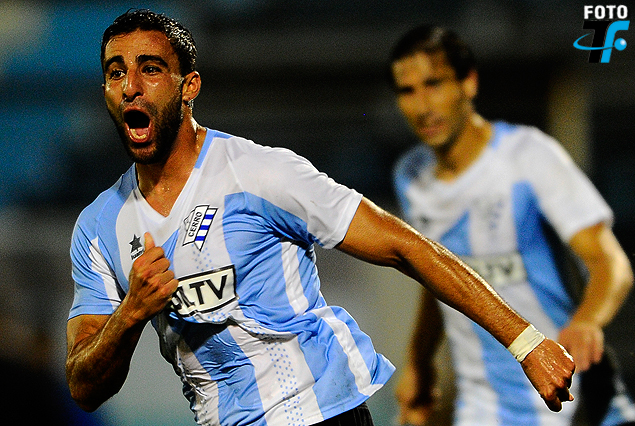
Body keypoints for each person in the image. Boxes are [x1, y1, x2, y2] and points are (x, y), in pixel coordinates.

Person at [65, 10, 575, 426]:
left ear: (188, 86)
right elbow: (84, 387)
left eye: (151, 69)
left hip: (320, 413)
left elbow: (405, 246)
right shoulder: (99, 227)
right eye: (116, 72)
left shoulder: (260, 173)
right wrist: (130, 313)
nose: (131, 86)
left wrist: (525, 342)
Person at [389, 25, 635, 426]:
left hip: (571, 396)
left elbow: (611, 263)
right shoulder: (411, 176)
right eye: (407, 91)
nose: (422, 106)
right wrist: (419, 362)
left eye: (434, 84)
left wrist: (588, 320)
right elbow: (437, 277)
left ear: (468, 82)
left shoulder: (528, 156)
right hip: (484, 407)